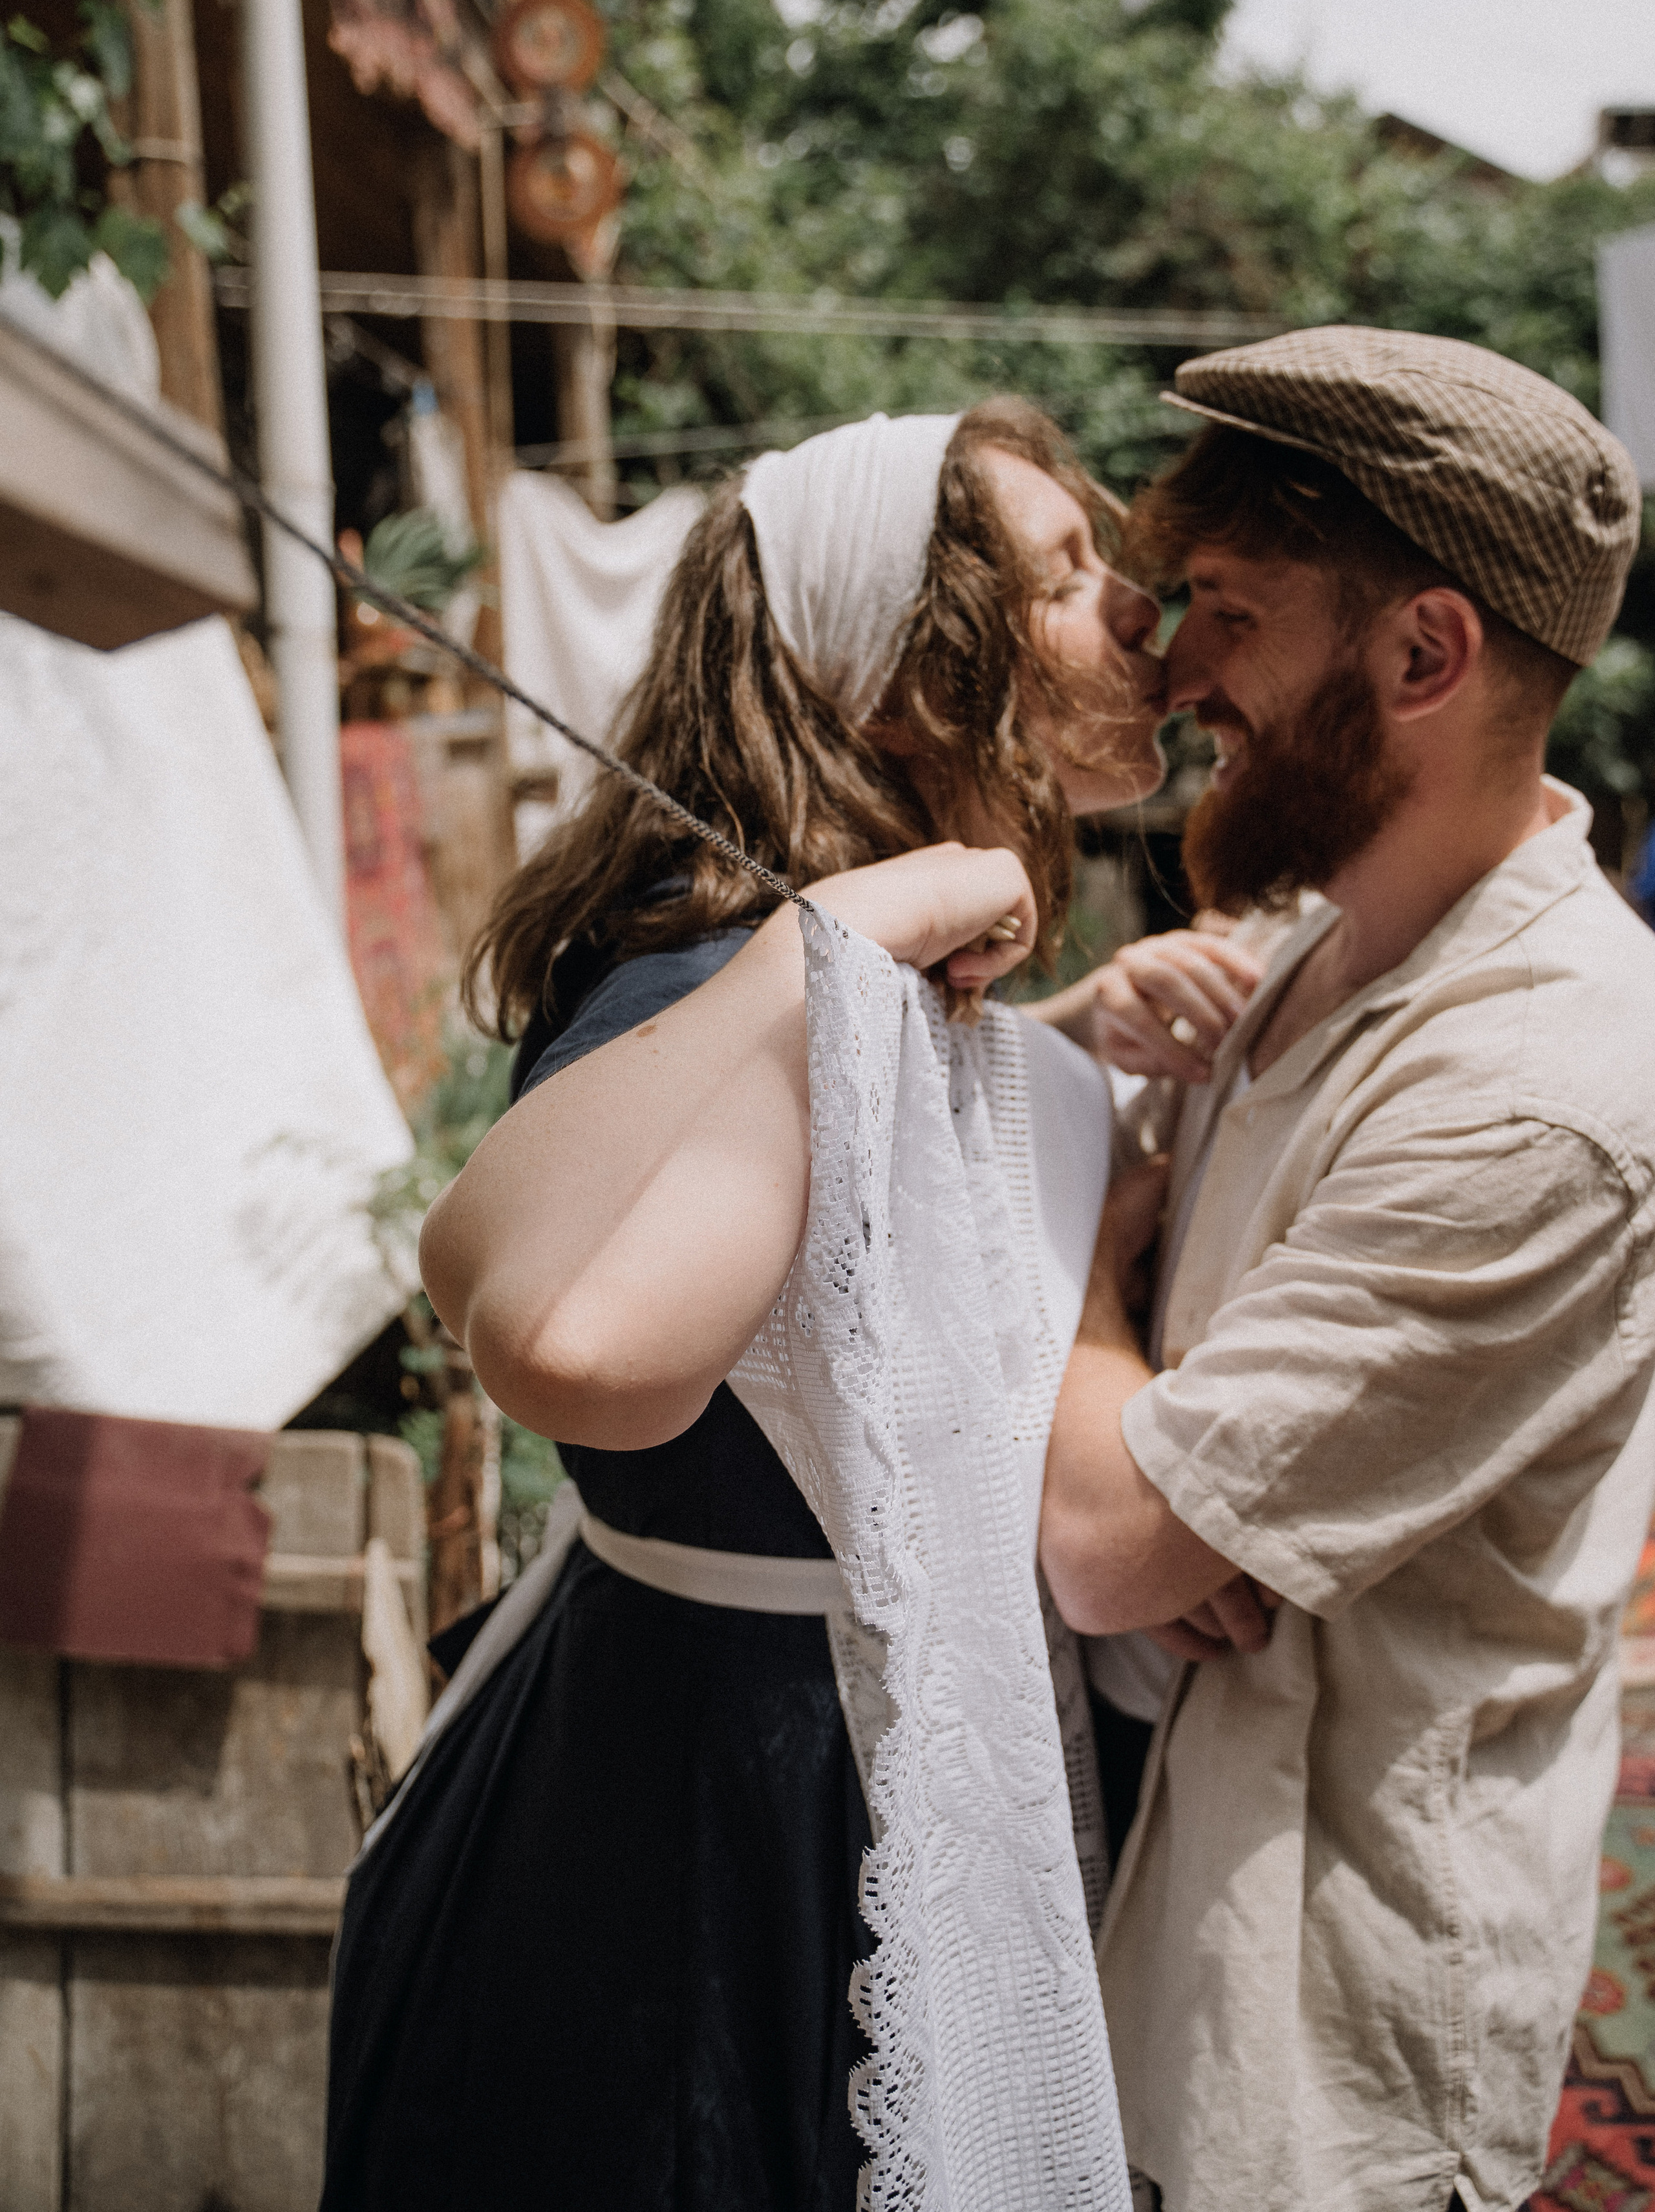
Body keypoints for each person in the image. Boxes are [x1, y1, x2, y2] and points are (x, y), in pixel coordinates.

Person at [322, 400, 1206, 2212]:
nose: (1140, 615)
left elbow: (863, 1252)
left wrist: (1047, 1027)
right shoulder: (746, 971)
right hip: (716, 1865)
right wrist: (858, 929)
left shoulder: (890, 985)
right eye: (1066, 575)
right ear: (904, 677)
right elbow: (576, 1354)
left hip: (813, 1787)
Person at [1036, 327, 1655, 2212]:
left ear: (1423, 654)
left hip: (1312, 2039)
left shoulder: (1545, 1089)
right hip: (1175, 1904)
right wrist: (1074, 1059)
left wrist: (1091, 1300)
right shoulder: (1312, 944)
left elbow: (1111, 1540)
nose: (1176, 666)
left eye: (1225, 608)